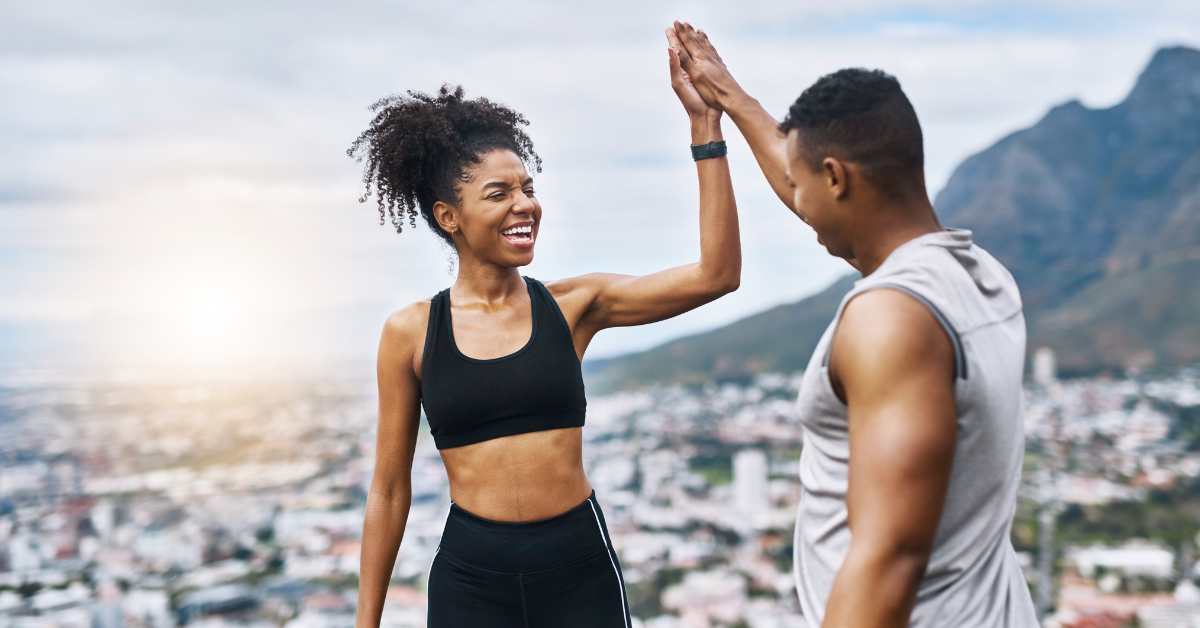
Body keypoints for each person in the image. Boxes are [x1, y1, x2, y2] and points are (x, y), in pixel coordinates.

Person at [349, 48, 740, 628]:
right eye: (498, 192)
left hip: (578, 566)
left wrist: (705, 127)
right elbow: (387, 491)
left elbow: (718, 274)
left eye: (527, 187)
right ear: (448, 216)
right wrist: (366, 622)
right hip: (471, 580)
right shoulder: (409, 333)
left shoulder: (574, 306)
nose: (524, 204)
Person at [666, 22, 1038, 628]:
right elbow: (804, 175)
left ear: (837, 179)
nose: (797, 200)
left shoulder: (891, 318)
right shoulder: (979, 275)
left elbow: (890, 559)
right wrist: (728, 96)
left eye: (803, 185)